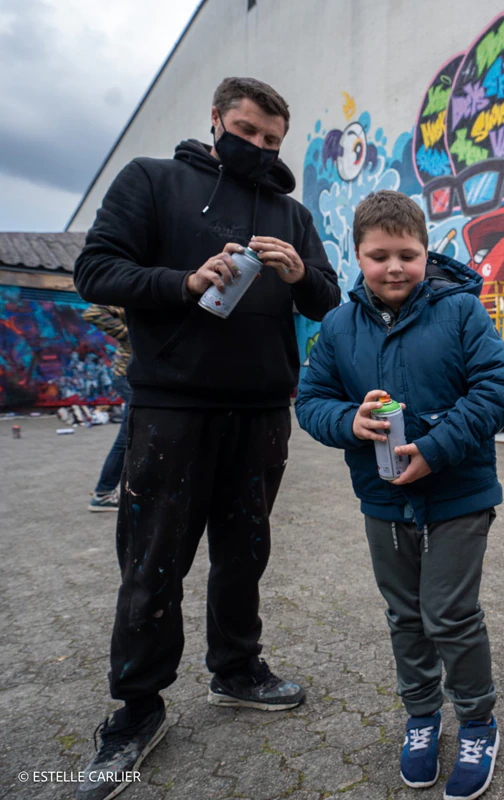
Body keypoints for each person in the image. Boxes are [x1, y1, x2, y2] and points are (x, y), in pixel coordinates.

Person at [71, 77, 341, 800]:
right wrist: (183, 282)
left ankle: (238, 670)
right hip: (171, 410)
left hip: (261, 411)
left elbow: (327, 296)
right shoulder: (153, 182)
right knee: (153, 560)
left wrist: (301, 271)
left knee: (245, 553)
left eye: (271, 141)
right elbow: (95, 270)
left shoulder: (291, 212)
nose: (257, 147)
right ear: (216, 119)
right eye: (246, 131)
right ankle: (136, 707)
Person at [295, 190, 504, 799]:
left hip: (459, 494)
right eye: (378, 255)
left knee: (448, 613)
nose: (394, 267)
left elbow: (499, 387)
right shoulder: (337, 327)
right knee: (404, 615)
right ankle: (422, 716)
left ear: (426, 252)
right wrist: (349, 422)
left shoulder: (462, 312)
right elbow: (310, 403)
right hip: (383, 499)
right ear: (357, 257)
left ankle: (476, 721)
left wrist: (437, 447)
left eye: (408, 254)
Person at [81, 304, 131, 511]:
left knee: (136, 433)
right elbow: (92, 312)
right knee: (129, 434)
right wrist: (132, 337)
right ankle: (103, 493)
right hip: (130, 376)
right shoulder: (140, 296)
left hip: (143, 376)